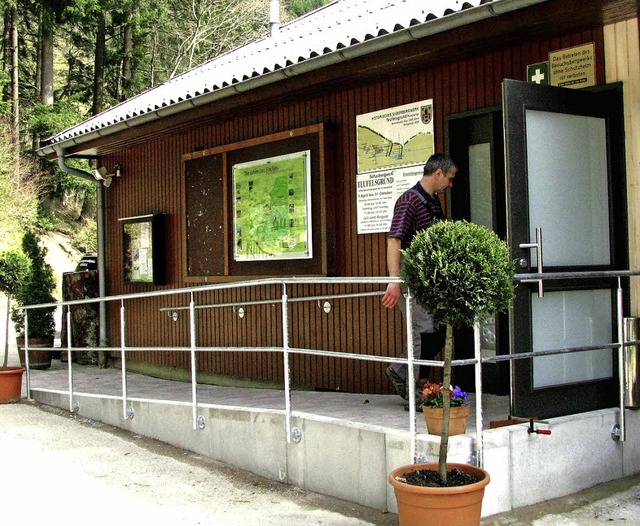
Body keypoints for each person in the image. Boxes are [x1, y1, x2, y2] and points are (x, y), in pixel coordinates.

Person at [382, 153, 457, 409]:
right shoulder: (409, 201)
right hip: (411, 277)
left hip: (431, 278)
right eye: (449, 178)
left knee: (437, 333)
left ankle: (400, 370)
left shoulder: (434, 201)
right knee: (422, 334)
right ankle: (414, 395)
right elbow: (394, 239)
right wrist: (395, 281)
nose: (450, 183)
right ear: (438, 173)